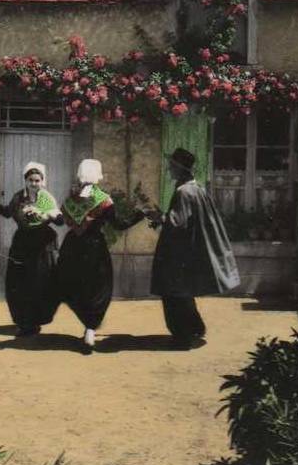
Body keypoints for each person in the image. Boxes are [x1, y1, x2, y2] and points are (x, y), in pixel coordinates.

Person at [147, 148, 240, 348]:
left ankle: (183, 335)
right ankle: (195, 327)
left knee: (173, 293)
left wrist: (158, 217)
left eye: (171, 166)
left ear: (179, 169)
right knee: (184, 292)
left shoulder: (184, 192)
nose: (169, 169)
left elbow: (177, 222)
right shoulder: (196, 188)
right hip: (188, 250)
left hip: (178, 253)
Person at [56, 158, 145, 351]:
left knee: (74, 285)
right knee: (98, 287)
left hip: (72, 247)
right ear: (98, 174)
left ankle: (86, 323)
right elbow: (118, 224)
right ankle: (90, 327)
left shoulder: (72, 198)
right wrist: (139, 215)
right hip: (94, 246)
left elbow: (63, 220)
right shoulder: (103, 199)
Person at [0, 162, 62, 337]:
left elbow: (59, 219)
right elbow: (8, 213)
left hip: (42, 246)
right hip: (23, 245)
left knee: (39, 284)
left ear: (42, 181)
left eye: (37, 180)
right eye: (31, 180)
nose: (34, 184)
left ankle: (36, 322)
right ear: (25, 181)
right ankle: (24, 322)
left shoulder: (47, 198)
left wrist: (45, 215)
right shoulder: (18, 197)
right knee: (19, 284)